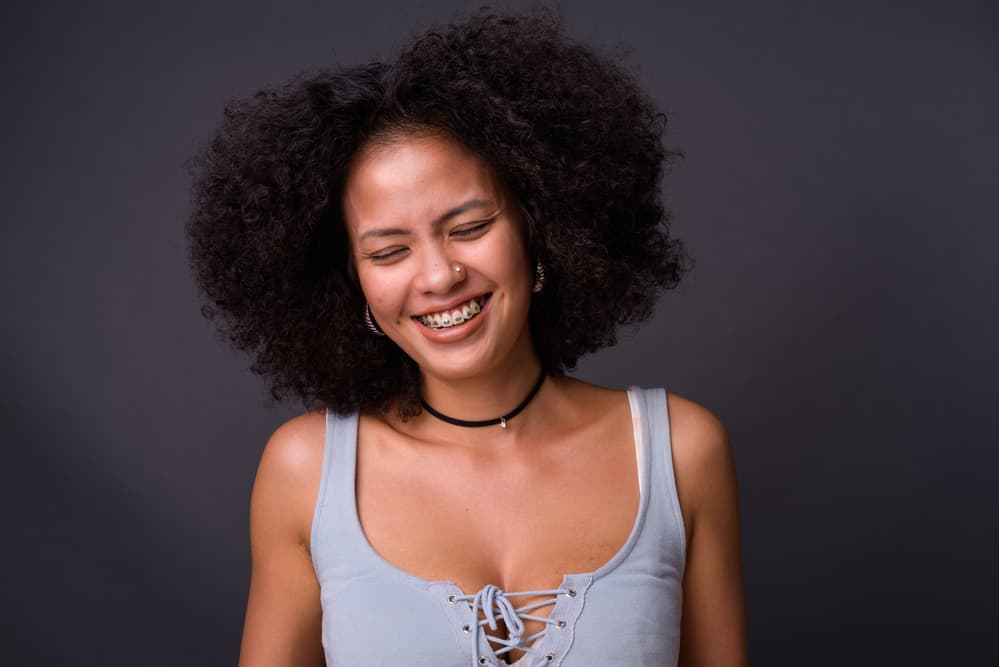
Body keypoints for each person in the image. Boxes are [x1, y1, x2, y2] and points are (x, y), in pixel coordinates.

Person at [188, 10, 746, 666]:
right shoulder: (305, 471)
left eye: (470, 225)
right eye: (389, 251)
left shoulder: (680, 452)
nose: (438, 275)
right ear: (351, 281)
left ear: (541, 227)